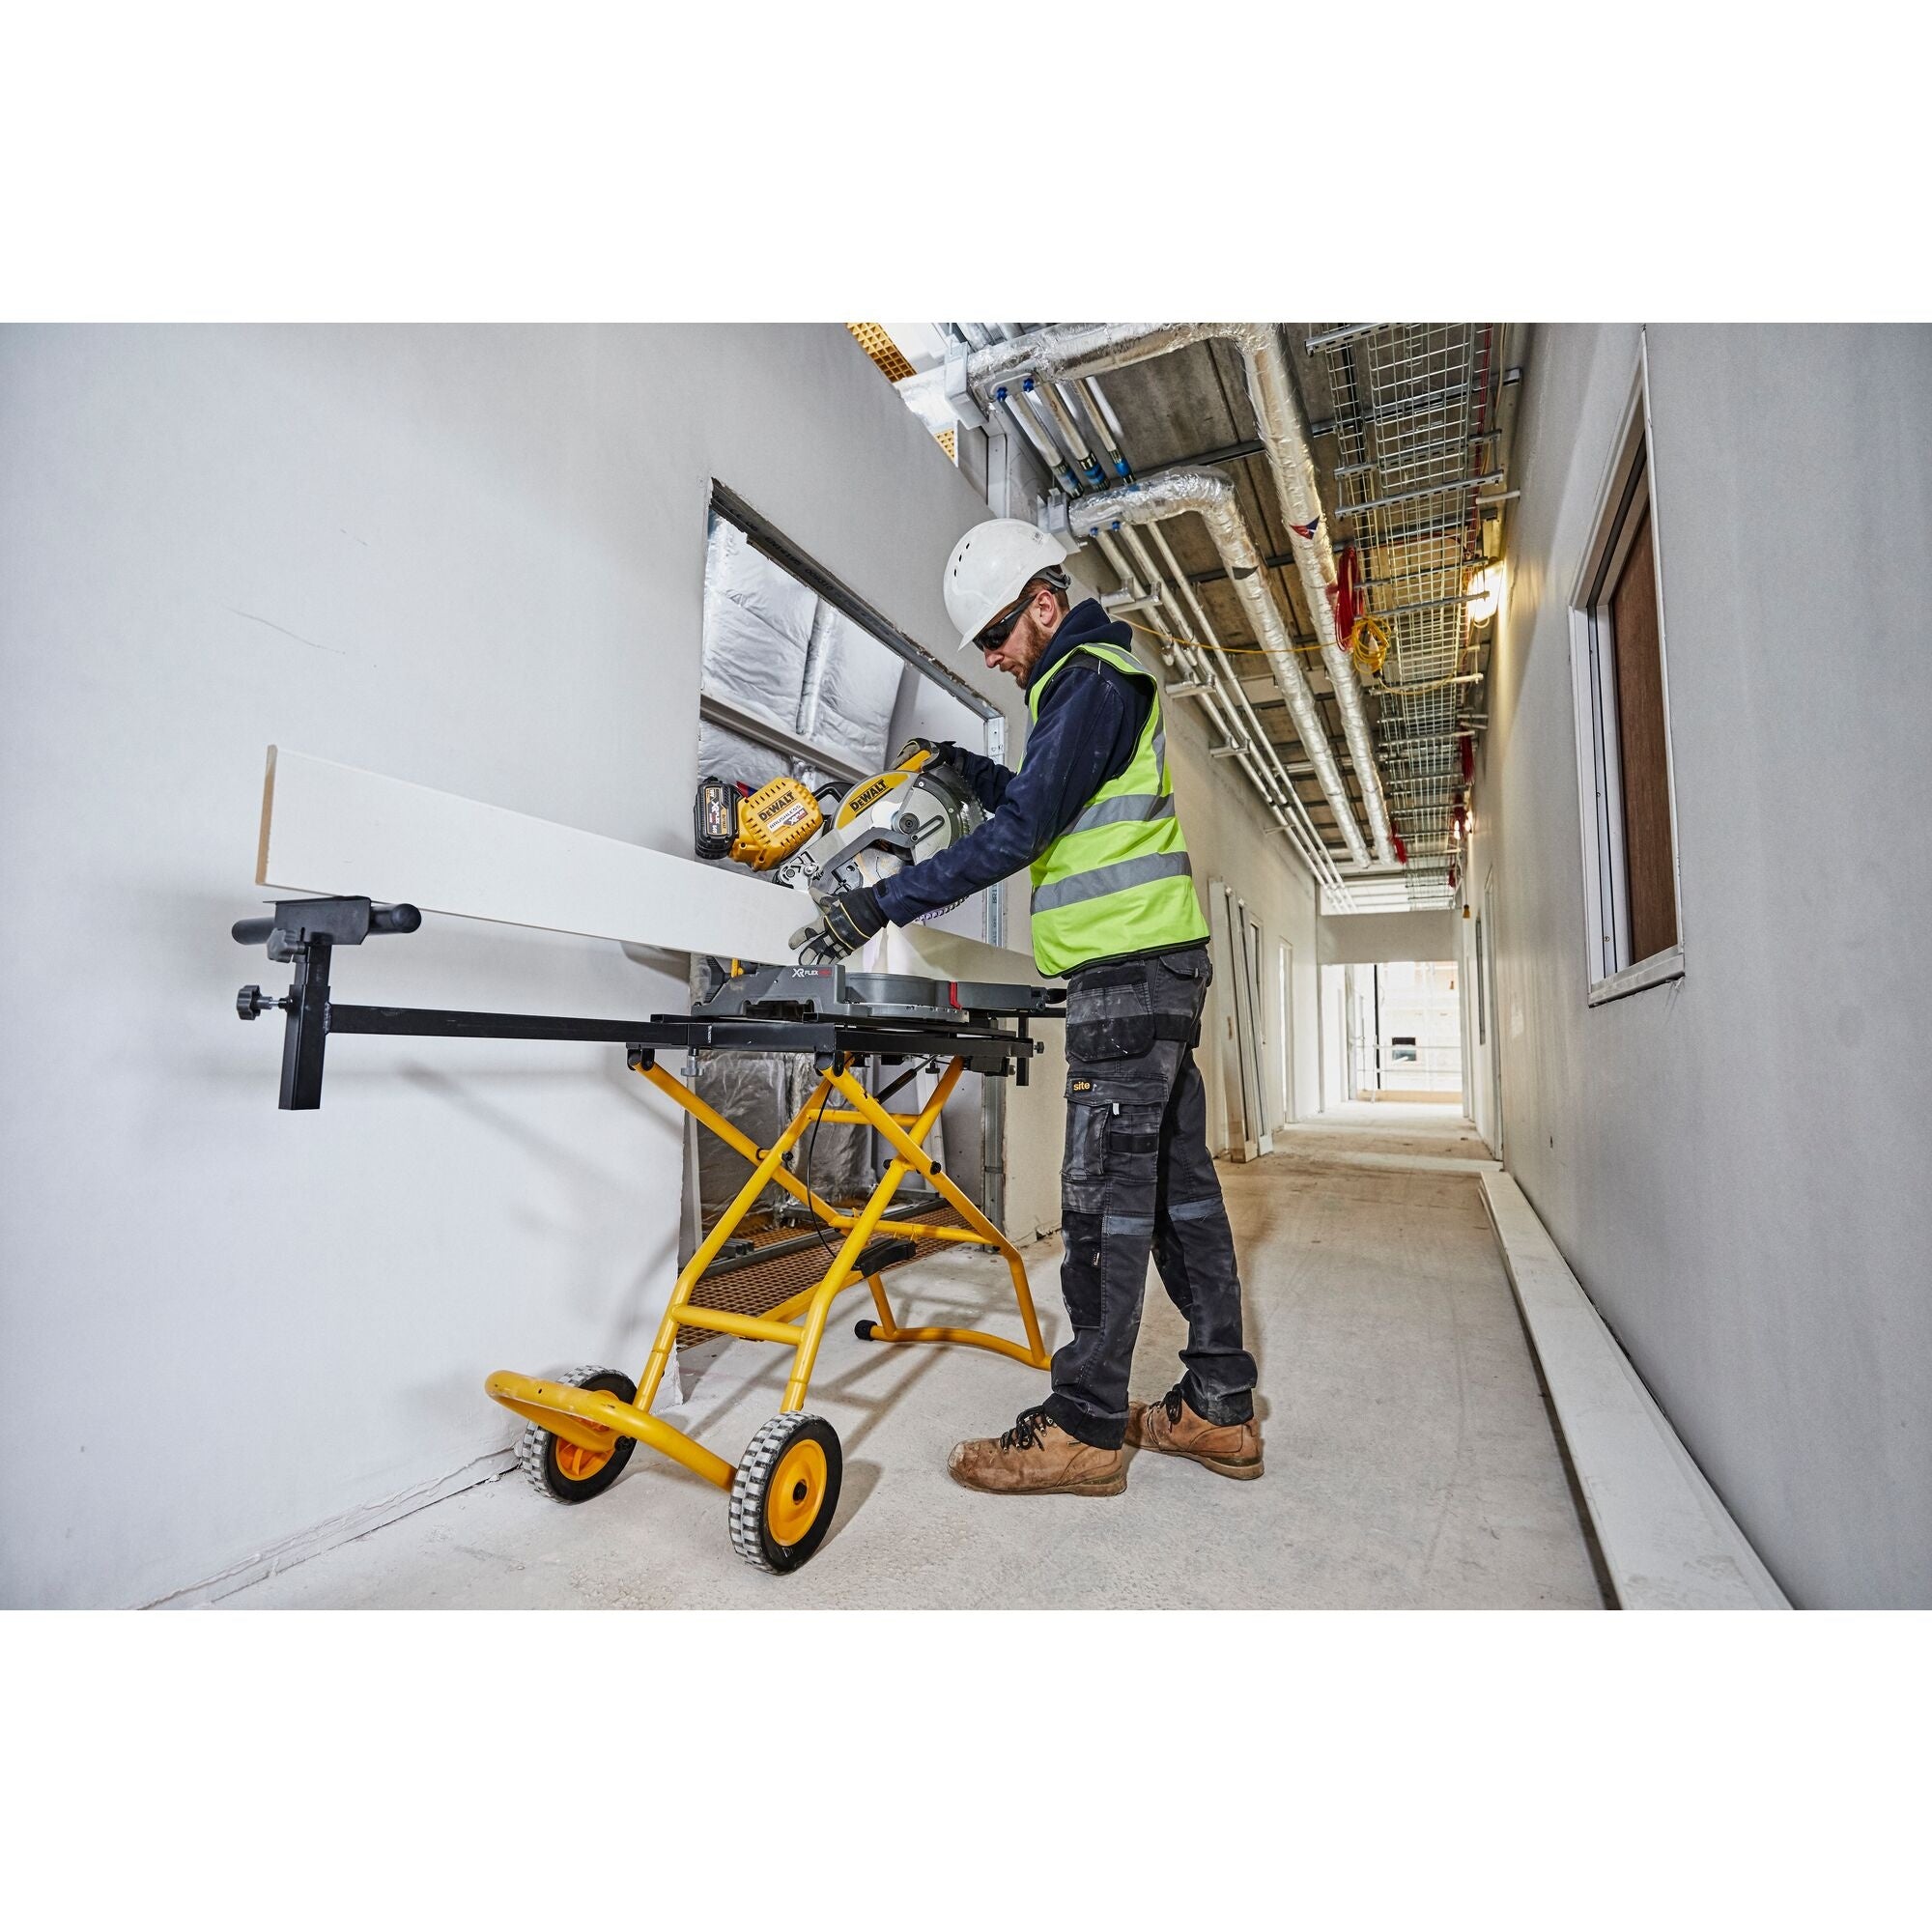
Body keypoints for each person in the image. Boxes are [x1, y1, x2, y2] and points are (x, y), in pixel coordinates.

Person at [793, 518, 1262, 1496]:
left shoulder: (1086, 679)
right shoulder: (1089, 686)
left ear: (1044, 605)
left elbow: (1019, 835)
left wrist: (879, 902)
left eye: (998, 634)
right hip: (1157, 974)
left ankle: (1084, 1426)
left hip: (1124, 982)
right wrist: (972, 771)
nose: (994, 657)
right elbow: (1048, 806)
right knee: (1178, 1202)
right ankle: (1220, 1407)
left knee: (1101, 1207)